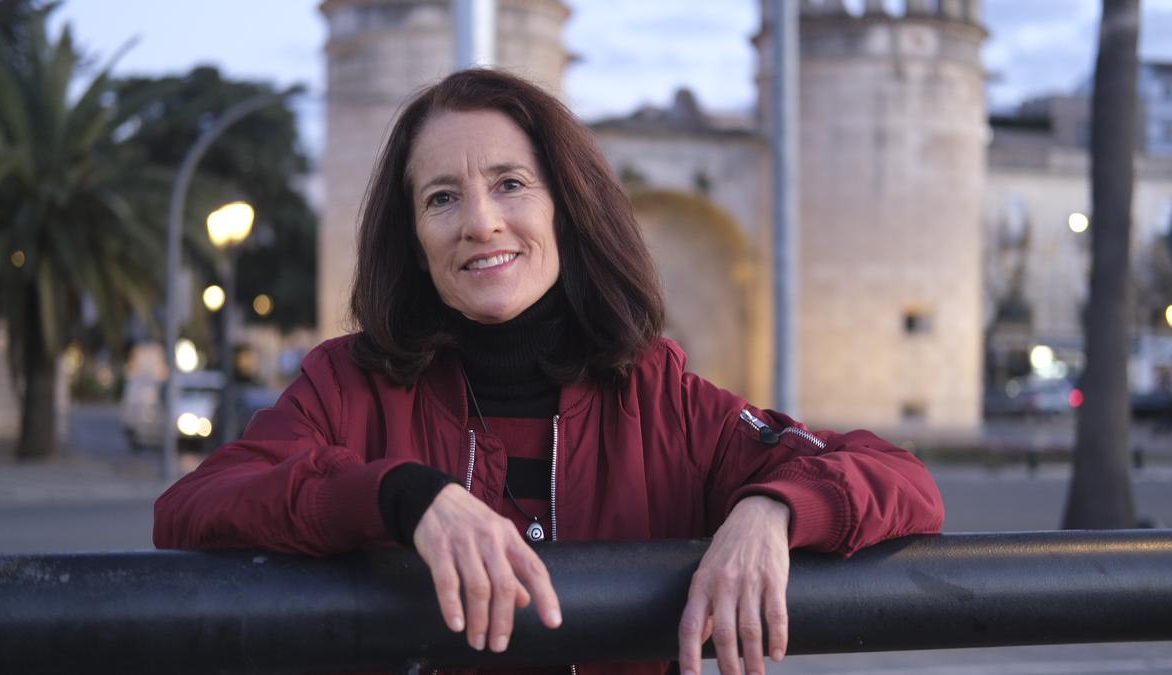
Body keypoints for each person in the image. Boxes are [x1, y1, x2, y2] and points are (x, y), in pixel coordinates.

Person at [154, 68, 944, 675]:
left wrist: (774, 509)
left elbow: (899, 478)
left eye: (509, 183)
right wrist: (400, 496)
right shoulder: (348, 387)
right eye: (441, 198)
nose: (481, 222)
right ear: (414, 236)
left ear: (563, 204)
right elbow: (194, 505)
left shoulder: (664, 401)